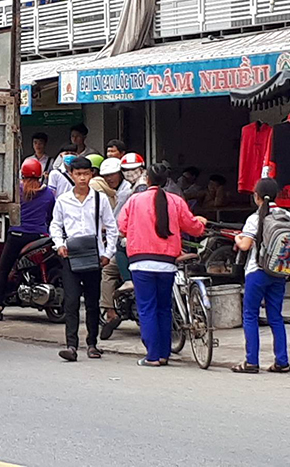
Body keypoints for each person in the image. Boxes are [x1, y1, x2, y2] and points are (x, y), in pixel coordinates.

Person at [118, 163, 206, 367]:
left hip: (141, 262)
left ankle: (152, 356)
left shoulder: (134, 201)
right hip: (167, 263)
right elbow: (193, 227)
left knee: (147, 308)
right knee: (164, 308)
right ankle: (164, 354)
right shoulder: (175, 200)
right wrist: (202, 223)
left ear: (147, 179)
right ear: (166, 180)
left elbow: (121, 227)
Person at [232, 178, 290, 374]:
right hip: (279, 273)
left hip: (257, 272)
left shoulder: (255, 218)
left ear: (256, 196)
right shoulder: (287, 216)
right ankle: (282, 361)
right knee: (276, 317)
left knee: (250, 315)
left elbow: (245, 246)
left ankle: (251, 362)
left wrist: (238, 237)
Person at [50, 157, 118, 362]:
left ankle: (92, 343)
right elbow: (55, 225)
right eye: (78, 174)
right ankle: (71, 345)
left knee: (92, 302)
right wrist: (59, 244)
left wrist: (108, 253)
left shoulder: (100, 199)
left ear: (91, 175)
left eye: (85, 174)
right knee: (70, 302)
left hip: (93, 257)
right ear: (71, 175)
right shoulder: (63, 200)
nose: (82, 178)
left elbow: (112, 228)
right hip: (70, 256)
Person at [0, 159, 57, 321]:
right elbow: (50, 215)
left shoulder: (16, 191)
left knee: (3, 269)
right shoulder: (48, 194)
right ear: (41, 175)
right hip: (41, 237)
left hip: (17, 236)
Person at [96, 157, 131, 322]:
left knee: (108, 270)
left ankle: (109, 311)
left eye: (112, 174)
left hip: (130, 242)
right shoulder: (127, 189)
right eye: (106, 176)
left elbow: (118, 220)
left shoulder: (126, 191)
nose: (109, 178)